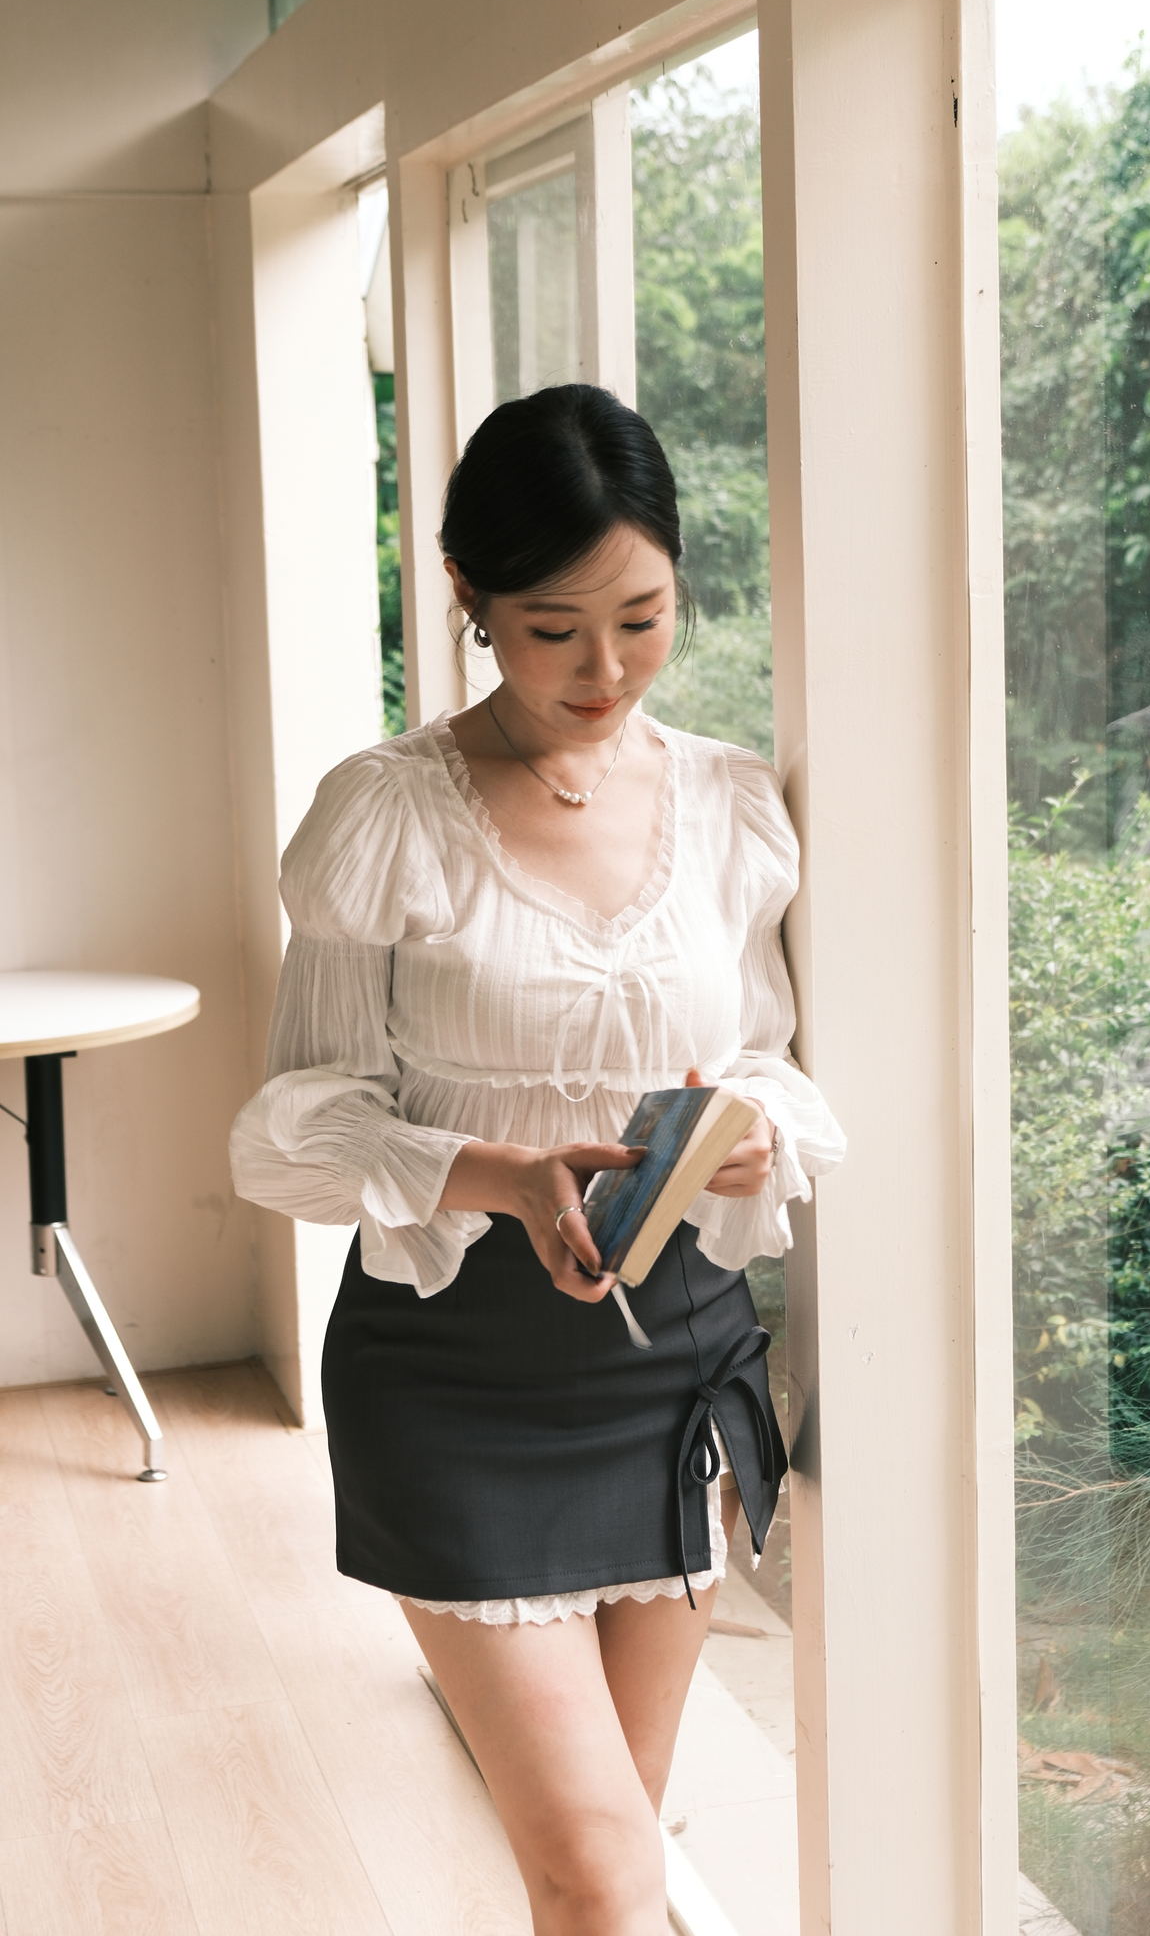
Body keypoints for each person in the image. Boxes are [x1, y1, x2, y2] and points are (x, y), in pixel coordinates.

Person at [230, 383, 844, 1936]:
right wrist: (501, 1173)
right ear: (472, 605)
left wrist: (753, 1126)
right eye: (552, 624)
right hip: (455, 1375)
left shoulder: (725, 807)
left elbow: (765, 1046)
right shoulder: (387, 817)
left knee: (599, 1868)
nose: (605, 669)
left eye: (642, 616)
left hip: (676, 1366)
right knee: (602, 1869)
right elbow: (291, 1125)